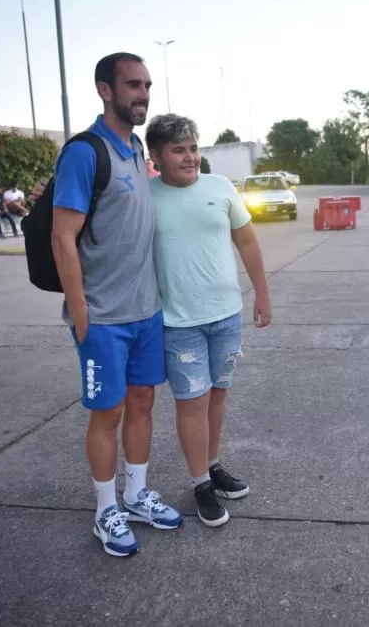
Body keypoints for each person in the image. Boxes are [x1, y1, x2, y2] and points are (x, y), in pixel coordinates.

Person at [51, 52, 182, 557]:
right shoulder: (86, 151)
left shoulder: (134, 148)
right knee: (107, 413)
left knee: (143, 403)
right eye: (132, 84)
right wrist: (82, 314)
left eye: (147, 84)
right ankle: (105, 508)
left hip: (146, 312)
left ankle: (135, 493)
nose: (143, 93)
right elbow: (64, 239)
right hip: (103, 317)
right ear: (105, 89)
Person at [145, 113, 272, 528]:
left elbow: (247, 240)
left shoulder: (221, 188)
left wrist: (262, 294)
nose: (190, 158)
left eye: (194, 148)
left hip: (226, 316)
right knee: (192, 403)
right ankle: (200, 482)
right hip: (178, 323)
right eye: (179, 150)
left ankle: (213, 464)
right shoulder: (145, 197)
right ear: (157, 157)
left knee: (218, 394)